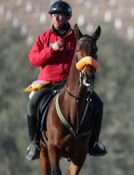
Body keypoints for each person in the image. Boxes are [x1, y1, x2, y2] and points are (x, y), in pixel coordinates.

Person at [26, 0, 107, 160]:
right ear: (51, 18)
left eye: (61, 16)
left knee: (97, 103)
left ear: (67, 18)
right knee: (32, 104)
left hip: (69, 84)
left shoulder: (76, 39)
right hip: (47, 83)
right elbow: (33, 59)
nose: (57, 18)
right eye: (54, 15)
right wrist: (51, 50)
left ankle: (94, 143)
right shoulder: (43, 38)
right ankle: (34, 144)